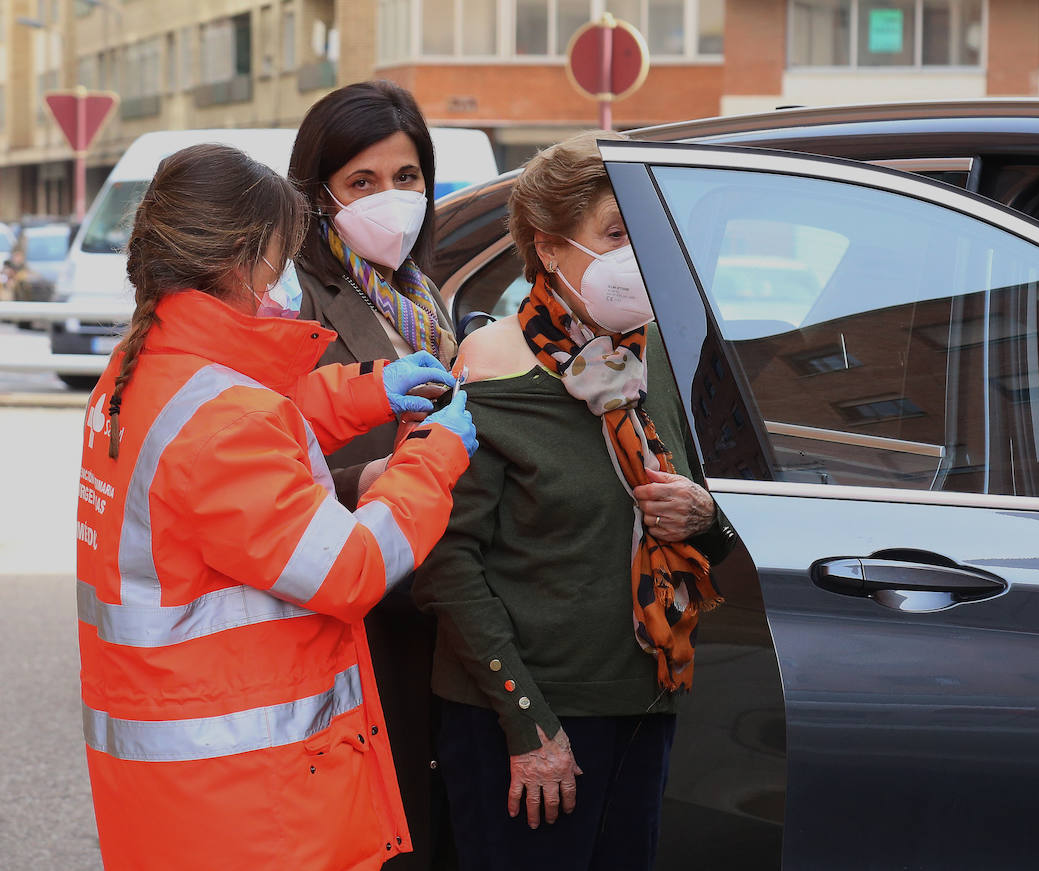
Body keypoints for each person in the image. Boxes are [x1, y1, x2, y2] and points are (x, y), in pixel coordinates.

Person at [75, 143, 479, 870]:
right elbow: (351, 568)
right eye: (278, 256)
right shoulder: (221, 421)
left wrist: (365, 390)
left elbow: (250, 446)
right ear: (239, 260)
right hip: (251, 803)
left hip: (179, 787)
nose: (284, 275)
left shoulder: (140, 375)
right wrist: (433, 457)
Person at [412, 130, 737, 870]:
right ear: (550, 248)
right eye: (617, 234)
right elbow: (447, 563)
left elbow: (713, 527)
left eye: (644, 235)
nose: (638, 255)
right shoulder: (492, 369)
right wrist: (528, 725)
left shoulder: (654, 358)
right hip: (527, 720)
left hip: (642, 703)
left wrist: (703, 518)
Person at [288, 80, 460, 870]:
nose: (392, 199)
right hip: (357, 608)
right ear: (318, 195)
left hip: (442, 597)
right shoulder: (294, 303)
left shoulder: (428, 297)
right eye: (363, 182)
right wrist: (373, 476)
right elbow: (273, 457)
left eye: (407, 178)